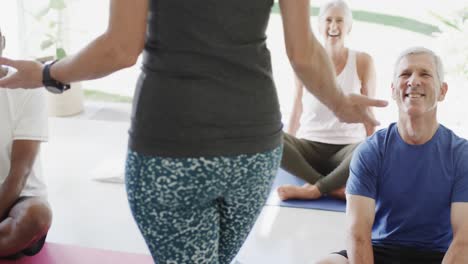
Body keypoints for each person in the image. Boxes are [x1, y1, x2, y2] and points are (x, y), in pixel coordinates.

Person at [0, 1, 387, 263]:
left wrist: (47, 73)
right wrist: (339, 102)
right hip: (253, 153)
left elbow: (119, 48)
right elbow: (303, 52)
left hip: (171, 152)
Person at [317, 47, 468, 264]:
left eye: (425, 74)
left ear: (443, 91)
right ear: (393, 89)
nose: (413, 81)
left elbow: (464, 240)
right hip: (381, 250)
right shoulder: (371, 151)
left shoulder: (461, 155)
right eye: (405, 74)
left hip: (440, 254)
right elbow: (357, 233)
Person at [278, 0, 376, 201]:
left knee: (373, 146)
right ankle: (330, 187)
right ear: (319, 25)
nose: (333, 26)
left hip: (346, 151)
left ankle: (314, 188)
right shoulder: (305, 61)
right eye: (328, 20)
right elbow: (297, 105)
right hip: (309, 148)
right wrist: (287, 149)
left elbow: (368, 112)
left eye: (339, 20)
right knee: (270, 137)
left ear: (349, 26)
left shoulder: (363, 61)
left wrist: (370, 148)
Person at [0, 29, 52, 259]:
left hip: (18, 197)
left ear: (1, 43)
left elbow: (19, 173)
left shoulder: (26, 88)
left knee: (36, 216)